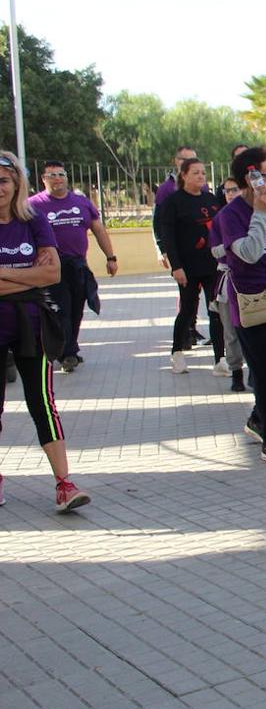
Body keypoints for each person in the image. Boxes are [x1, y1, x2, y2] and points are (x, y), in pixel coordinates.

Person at [0, 150, 91, 512]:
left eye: (4, 181)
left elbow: (51, 275)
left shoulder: (34, 220)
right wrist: (27, 277)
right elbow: (38, 275)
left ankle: (64, 484)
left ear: (16, 183)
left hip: (31, 325)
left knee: (43, 403)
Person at [215, 147, 266, 465]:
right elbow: (248, 253)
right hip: (251, 304)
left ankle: (258, 418)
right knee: (265, 372)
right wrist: (260, 213)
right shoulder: (231, 215)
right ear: (251, 179)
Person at [29, 161, 118, 371]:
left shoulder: (81, 202)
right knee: (61, 310)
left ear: (67, 177)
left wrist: (111, 257)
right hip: (52, 268)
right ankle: (66, 354)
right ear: (43, 179)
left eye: (61, 174)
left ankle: (71, 347)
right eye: (51, 175)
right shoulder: (34, 205)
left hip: (78, 265)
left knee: (77, 309)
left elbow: (98, 229)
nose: (57, 178)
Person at [154, 158, 224, 374]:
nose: (201, 177)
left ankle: (220, 359)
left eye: (203, 173)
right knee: (187, 309)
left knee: (216, 310)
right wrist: (176, 267)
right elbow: (168, 237)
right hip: (187, 267)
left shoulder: (211, 200)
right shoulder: (173, 202)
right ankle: (177, 353)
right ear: (183, 175)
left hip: (212, 265)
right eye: (195, 173)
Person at [210, 178, 247, 391]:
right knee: (231, 330)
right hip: (229, 280)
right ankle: (236, 373)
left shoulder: (257, 215)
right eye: (227, 190)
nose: (232, 194)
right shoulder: (221, 218)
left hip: (256, 282)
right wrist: (234, 246)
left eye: (236, 189)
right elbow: (214, 251)